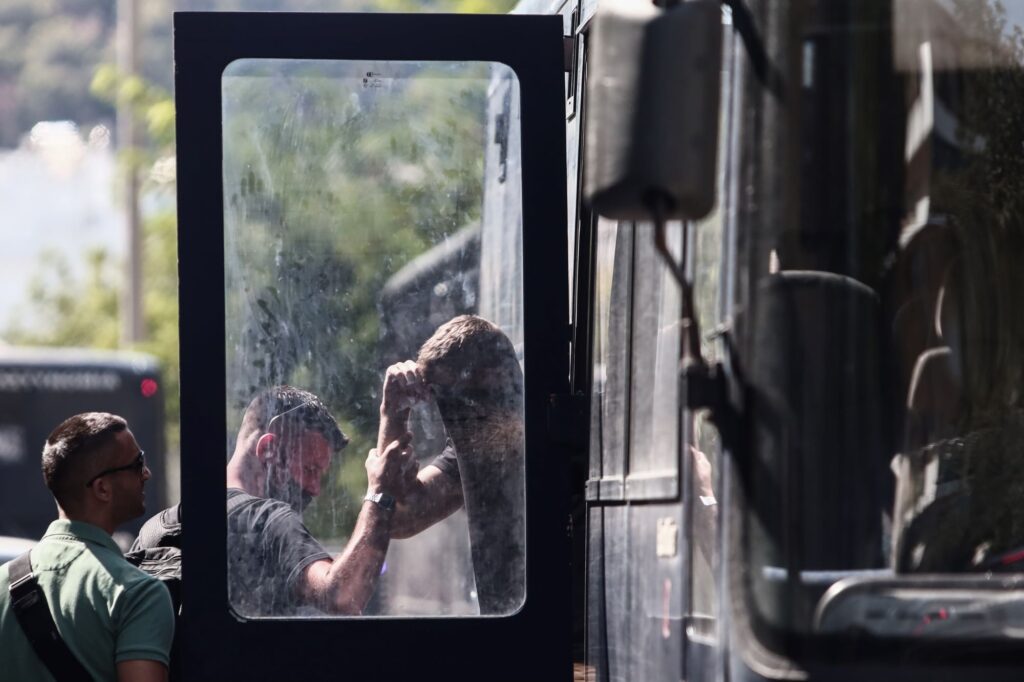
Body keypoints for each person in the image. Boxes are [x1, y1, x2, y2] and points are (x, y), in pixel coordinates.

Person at [135, 386, 414, 618]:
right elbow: (343, 596)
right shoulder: (267, 520)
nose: (315, 489)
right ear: (268, 449)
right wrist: (380, 492)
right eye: (309, 470)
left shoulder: (155, 529)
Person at [0, 412, 174, 682]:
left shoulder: (3, 583)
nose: (147, 473)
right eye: (137, 463)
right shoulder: (137, 594)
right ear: (102, 489)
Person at [377, 314, 526, 614]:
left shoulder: (561, 441)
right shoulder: (473, 447)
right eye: (442, 405)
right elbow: (395, 518)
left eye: (460, 403)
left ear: (498, 380)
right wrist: (393, 414)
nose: (454, 423)